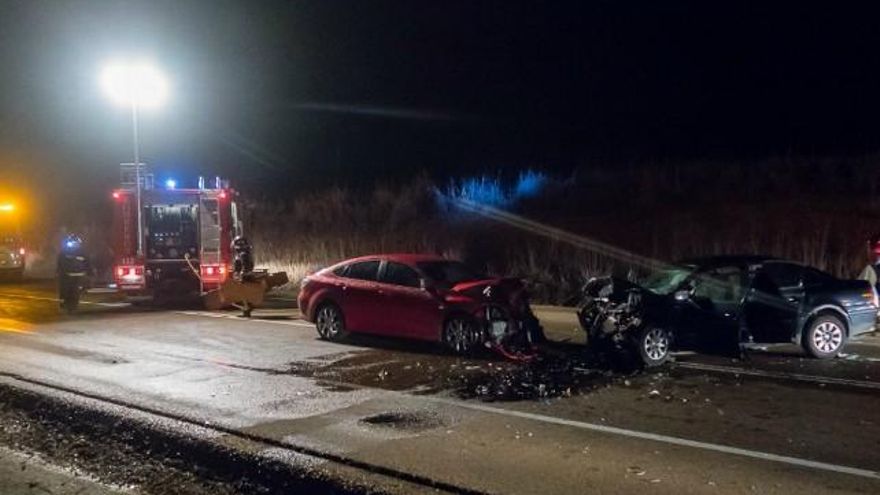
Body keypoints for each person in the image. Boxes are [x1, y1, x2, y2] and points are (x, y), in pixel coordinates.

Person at [56, 234, 90, 310]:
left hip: (79, 275)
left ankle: (74, 305)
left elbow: (87, 262)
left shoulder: (82, 252)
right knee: (65, 289)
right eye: (73, 243)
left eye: (76, 243)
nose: (74, 244)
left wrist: (90, 272)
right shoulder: (64, 252)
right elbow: (60, 263)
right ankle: (63, 302)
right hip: (67, 275)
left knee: (76, 291)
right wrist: (59, 272)